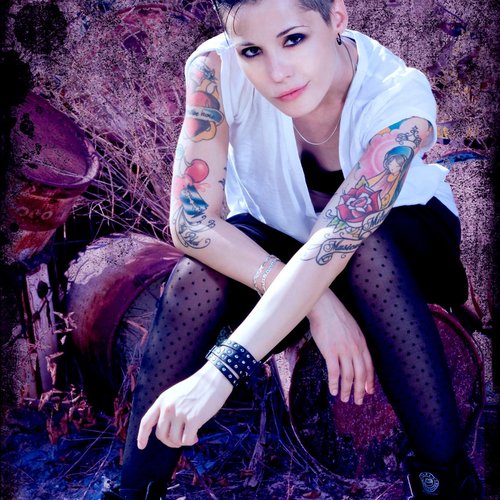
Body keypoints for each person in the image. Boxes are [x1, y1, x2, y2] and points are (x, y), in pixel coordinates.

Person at [115, 1, 483, 498]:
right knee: (195, 278)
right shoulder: (215, 69)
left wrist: (222, 371)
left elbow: (339, 237)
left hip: (399, 244)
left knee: (364, 250)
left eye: (293, 39)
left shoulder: (398, 96)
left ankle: (446, 481)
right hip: (286, 240)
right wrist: (318, 304)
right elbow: (190, 222)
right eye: (252, 50)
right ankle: (135, 490)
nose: (277, 72)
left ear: (337, 18)